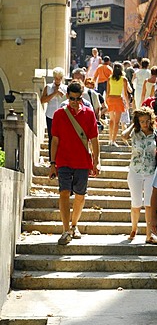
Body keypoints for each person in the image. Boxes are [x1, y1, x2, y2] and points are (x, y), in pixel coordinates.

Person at [48, 80, 100, 245]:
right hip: (63, 160)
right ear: (67, 96)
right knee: (64, 193)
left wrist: (96, 161)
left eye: (78, 99)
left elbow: (94, 139)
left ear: (82, 97)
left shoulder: (89, 114)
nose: (75, 102)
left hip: (83, 161)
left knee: (80, 195)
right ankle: (65, 230)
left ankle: (74, 224)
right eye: (72, 99)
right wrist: (52, 163)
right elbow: (54, 140)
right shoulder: (59, 114)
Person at [122, 107, 157, 244]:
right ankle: (133, 229)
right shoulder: (134, 133)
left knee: (149, 204)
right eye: (141, 121)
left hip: (151, 172)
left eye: (146, 121)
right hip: (135, 171)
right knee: (136, 202)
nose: (144, 124)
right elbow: (123, 135)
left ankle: (148, 234)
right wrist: (134, 124)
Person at [40, 67, 67, 162]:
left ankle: (61, 159)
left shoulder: (65, 88)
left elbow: (68, 101)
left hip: (63, 116)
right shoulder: (48, 87)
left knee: (62, 138)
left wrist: (62, 94)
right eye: (56, 78)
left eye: (59, 78)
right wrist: (54, 93)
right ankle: (52, 160)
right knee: (52, 138)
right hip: (50, 115)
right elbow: (42, 100)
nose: (57, 80)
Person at [106, 62, 129, 146]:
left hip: (110, 99)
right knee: (117, 122)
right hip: (118, 99)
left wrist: (106, 101)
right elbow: (125, 94)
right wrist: (127, 103)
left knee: (111, 120)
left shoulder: (109, 78)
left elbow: (107, 92)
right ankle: (113, 140)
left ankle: (109, 138)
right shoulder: (124, 79)